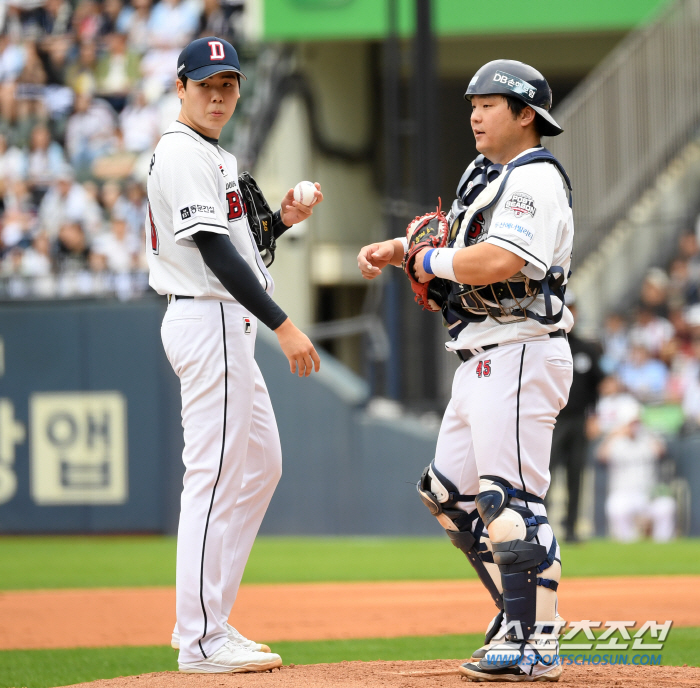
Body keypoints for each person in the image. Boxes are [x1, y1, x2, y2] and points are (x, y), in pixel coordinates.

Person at [357, 59, 574, 681]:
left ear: (525, 114)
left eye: (488, 104)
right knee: (450, 497)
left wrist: (430, 258)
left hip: (522, 350)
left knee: (510, 500)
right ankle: (517, 615)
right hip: (482, 355)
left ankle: (537, 641)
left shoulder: (535, 180)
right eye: (471, 103)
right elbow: (454, 239)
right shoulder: (488, 173)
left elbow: (497, 260)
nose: (474, 113)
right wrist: (406, 250)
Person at [146, 36, 323, 674]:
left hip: (224, 322)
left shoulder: (211, 153)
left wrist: (282, 218)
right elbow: (215, 256)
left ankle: (210, 619)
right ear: (181, 88)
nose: (218, 95)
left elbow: (240, 244)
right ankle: (198, 638)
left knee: (261, 467)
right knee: (214, 477)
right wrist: (285, 324)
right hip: (209, 319)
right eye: (205, 85)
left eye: (227, 85)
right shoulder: (182, 152)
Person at [549, 294, 604, 542]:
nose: (569, 311)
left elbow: (596, 387)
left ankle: (571, 529)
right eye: (565, 307)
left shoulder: (585, 348)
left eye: (572, 307)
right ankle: (541, 529)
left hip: (579, 419)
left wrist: (594, 417)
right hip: (551, 421)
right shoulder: (546, 344)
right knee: (544, 475)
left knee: (575, 474)